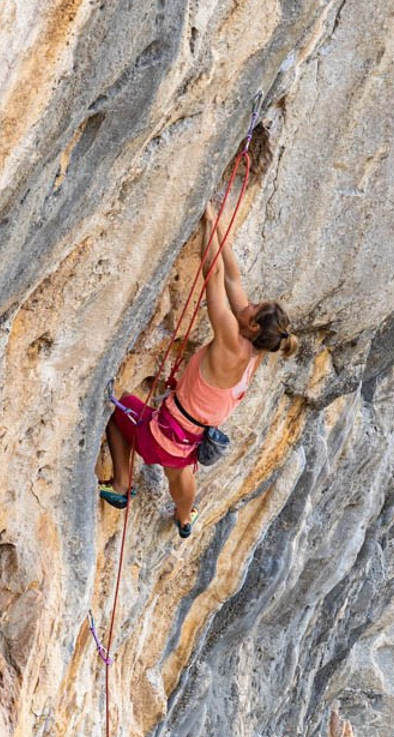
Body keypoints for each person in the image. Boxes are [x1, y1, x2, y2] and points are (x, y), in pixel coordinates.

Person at [100, 202, 297, 537]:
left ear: (251, 327)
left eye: (253, 308)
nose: (248, 304)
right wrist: (217, 225)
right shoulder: (257, 350)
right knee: (179, 475)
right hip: (190, 441)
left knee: (118, 411)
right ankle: (184, 516)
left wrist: (207, 223)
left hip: (162, 433)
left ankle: (120, 484)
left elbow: (216, 277)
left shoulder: (232, 343)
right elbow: (233, 279)